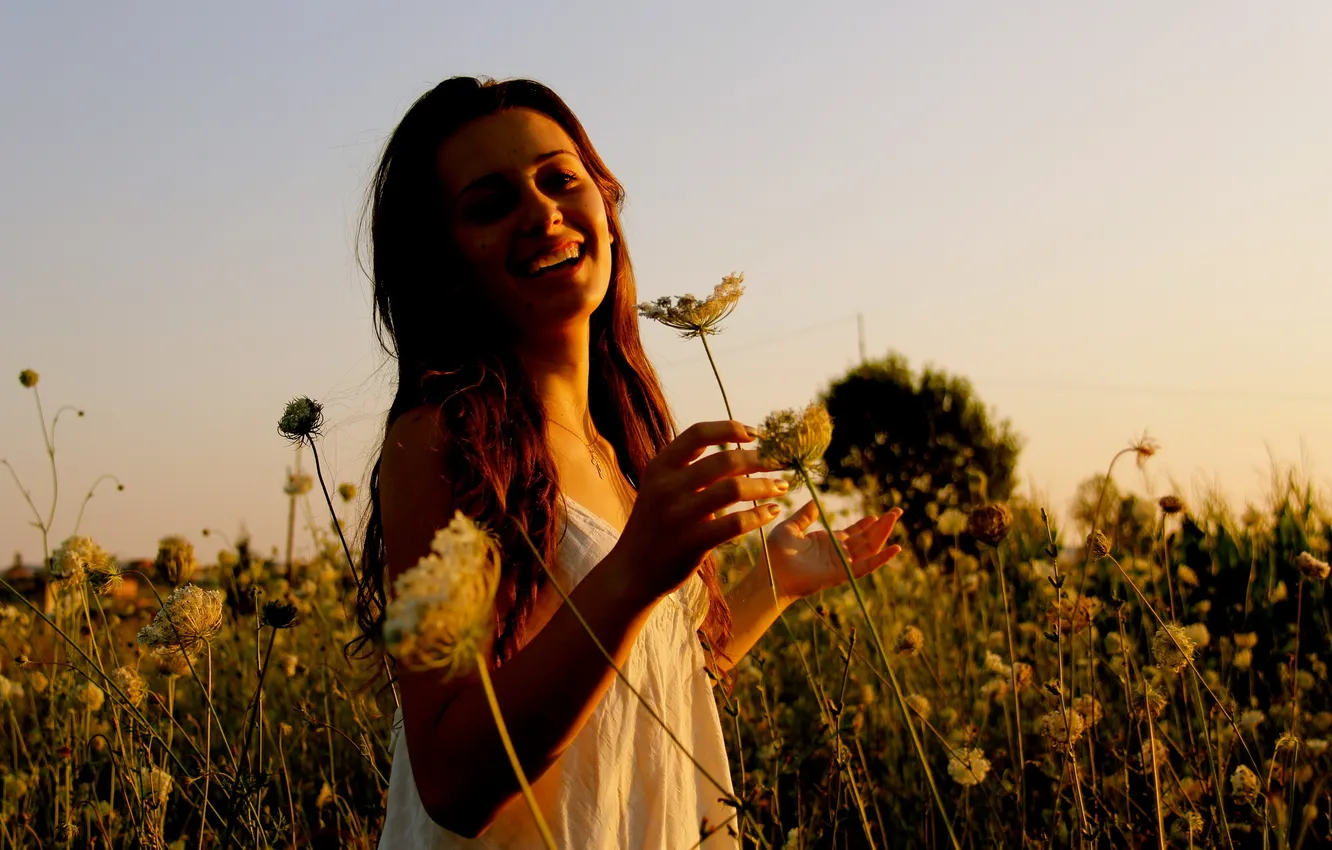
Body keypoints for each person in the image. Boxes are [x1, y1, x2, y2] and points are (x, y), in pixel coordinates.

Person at [352, 75, 905, 849]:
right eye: (491, 203)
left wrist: (770, 585)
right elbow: (451, 780)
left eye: (560, 179)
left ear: (605, 210)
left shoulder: (617, 446)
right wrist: (637, 568)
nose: (541, 212)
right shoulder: (438, 442)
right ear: (443, 263)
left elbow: (645, 690)